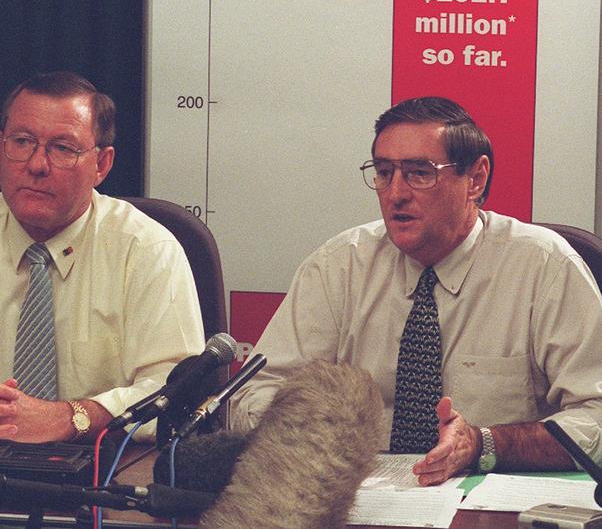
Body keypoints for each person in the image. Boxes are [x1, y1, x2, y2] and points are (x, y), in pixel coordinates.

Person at [230, 96, 602, 484]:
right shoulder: (340, 265)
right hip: (355, 497)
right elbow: (251, 393)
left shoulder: (543, 265)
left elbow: (596, 416)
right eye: (384, 172)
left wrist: (484, 443)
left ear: (475, 179)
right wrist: (308, 428)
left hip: (486, 503)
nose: (396, 193)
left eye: (419, 173)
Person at [0, 71, 205, 442]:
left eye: (62, 149)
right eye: (22, 142)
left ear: (101, 165)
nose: (37, 165)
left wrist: (71, 417)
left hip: (102, 469)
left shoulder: (147, 249)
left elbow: (177, 392)